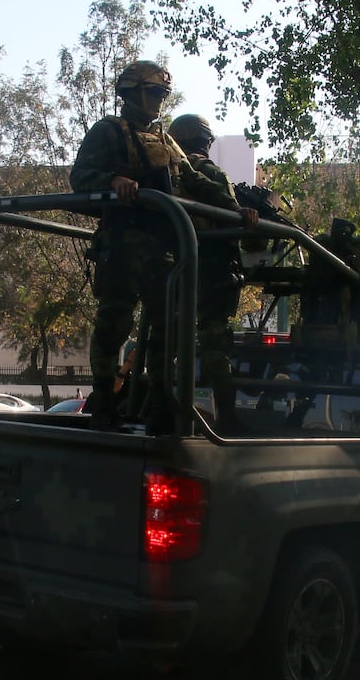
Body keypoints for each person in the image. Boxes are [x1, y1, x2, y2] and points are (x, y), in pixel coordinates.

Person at [69, 61, 249, 432]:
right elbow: (80, 177)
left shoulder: (165, 140)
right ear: (132, 93)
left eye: (162, 95)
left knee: (168, 327)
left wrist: (235, 209)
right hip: (121, 243)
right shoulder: (107, 132)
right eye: (153, 93)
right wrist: (113, 180)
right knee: (113, 325)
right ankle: (103, 400)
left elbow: (193, 179)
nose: (157, 102)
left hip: (161, 249)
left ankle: (161, 400)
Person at [167, 114, 259, 429]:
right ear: (207, 142)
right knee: (214, 344)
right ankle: (228, 417)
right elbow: (235, 225)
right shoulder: (211, 174)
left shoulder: (168, 175)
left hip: (175, 269)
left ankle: (156, 406)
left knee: (165, 341)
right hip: (214, 272)